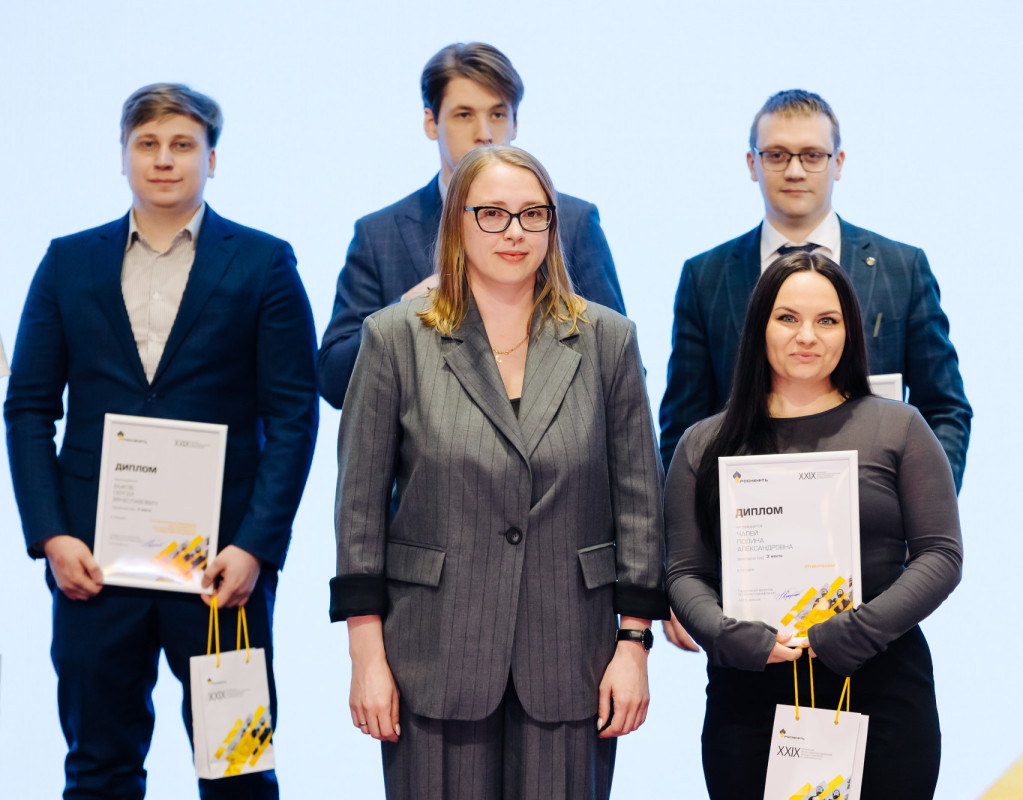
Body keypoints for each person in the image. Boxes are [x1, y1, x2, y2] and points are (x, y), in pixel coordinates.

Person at [4, 83, 319, 799]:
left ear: (212, 158)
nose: (164, 159)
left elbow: (294, 416)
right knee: (98, 772)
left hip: (222, 575)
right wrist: (51, 536)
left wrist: (256, 547)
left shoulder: (263, 263)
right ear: (123, 157)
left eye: (182, 144)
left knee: (237, 772)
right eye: (146, 144)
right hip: (92, 567)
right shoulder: (67, 262)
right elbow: (27, 408)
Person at [329, 144, 667, 799]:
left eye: (533, 214)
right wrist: (365, 656)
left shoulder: (608, 339)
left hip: (572, 654)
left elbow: (639, 505)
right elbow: (359, 510)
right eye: (492, 214)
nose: (515, 231)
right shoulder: (394, 337)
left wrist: (634, 645)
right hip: (433, 654)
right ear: (458, 222)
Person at [658, 87, 971, 653]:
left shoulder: (901, 267)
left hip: (877, 573)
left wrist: (918, 503)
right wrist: (689, 578)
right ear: (752, 163)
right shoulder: (706, 275)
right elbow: (682, 424)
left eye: (812, 155)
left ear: (838, 162)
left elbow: (944, 406)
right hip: (750, 579)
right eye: (777, 154)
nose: (795, 169)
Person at [664, 251, 963, 800]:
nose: (807, 336)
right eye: (787, 318)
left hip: (883, 688)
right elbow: (684, 571)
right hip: (749, 696)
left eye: (827, 320)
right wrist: (728, 637)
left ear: (849, 332)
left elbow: (941, 556)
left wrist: (856, 632)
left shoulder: (900, 428)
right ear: (760, 327)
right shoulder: (703, 444)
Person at [317, 42, 626, 409]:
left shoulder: (571, 220)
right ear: (431, 123)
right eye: (464, 115)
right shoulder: (379, 234)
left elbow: (619, 364)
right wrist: (403, 310)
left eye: (498, 114)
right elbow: (334, 380)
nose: (484, 132)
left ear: (515, 122)